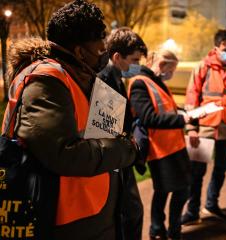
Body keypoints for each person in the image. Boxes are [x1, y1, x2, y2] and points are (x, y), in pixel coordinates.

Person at [2, 0, 138, 239]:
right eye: (99, 42)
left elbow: (104, 133)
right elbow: (64, 153)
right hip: (65, 220)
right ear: (78, 50)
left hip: (95, 211)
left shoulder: (84, 78)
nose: (103, 49)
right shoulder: (46, 80)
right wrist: (126, 149)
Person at [181, 29, 226, 224]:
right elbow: (192, 97)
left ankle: (211, 205)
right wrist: (191, 128)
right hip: (205, 127)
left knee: (220, 169)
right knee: (196, 171)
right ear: (216, 48)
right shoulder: (203, 67)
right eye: (225, 49)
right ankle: (192, 211)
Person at [128, 50, 192, 240]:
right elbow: (148, 118)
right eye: (172, 68)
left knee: (175, 190)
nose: (172, 73)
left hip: (173, 144)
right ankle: (161, 229)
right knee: (168, 190)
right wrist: (183, 119)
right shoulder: (140, 83)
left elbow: (164, 107)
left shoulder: (154, 80)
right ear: (162, 64)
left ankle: (166, 229)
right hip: (160, 149)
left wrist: (182, 110)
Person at [98, 27, 147, 240]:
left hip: (121, 157)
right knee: (130, 212)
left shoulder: (116, 77)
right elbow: (105, 129)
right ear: (117, 57)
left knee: (132, 212)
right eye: (134, 60)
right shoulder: (105, 80)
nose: (137, 66)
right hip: (114, 160)